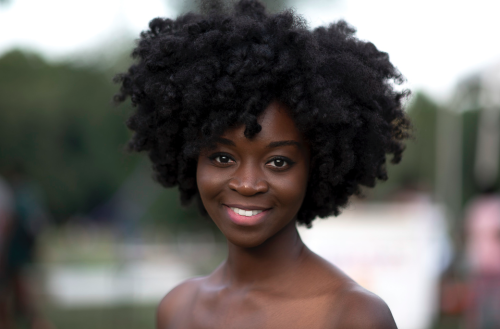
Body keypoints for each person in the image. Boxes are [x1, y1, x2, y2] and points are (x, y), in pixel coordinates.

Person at [114, 0, 411, 327]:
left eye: (279, 162)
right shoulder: (177, 309)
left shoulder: (351, 315)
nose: (247, 183)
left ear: (319, 166)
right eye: (223, 157)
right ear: (189, 156)